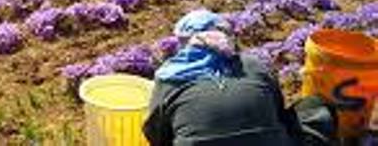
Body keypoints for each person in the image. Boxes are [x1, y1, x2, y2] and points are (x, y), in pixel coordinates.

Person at [143, 9, 337, 146]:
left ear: (184, 42)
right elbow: (279, 115)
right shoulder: (255, 66)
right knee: (313, 107)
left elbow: (156, 135)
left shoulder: (170, 76)